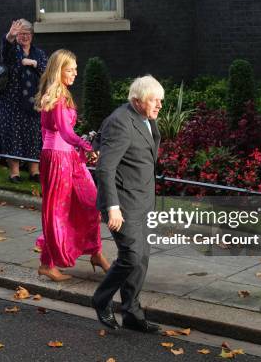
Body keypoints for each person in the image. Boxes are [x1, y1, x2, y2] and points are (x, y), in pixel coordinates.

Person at [92, 75, 163, 333]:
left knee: (141, 258)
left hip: (143, 200)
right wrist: (112, 207)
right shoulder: (120, 122)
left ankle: (132, 313)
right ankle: (101, 299)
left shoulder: (146, 119)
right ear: (136, 100)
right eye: (154, 100)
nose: (159, 105)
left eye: (161, 100)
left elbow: (141, 155)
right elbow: (105, 168)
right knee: (131, 256)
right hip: (123, 204)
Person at [33, 49, 109, 282]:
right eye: (71, 69)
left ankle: (95, 252)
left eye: (76, 69)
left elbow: (67, 133)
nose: (76, 73)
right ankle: (47, 263)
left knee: (91, 202)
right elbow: (65, 132)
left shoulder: (61, 93)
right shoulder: (55, 96)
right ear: (59, 70)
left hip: (69, 157)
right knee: (58, 211)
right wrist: (86, 146)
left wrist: (81, 149)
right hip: (57, 157)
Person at [0, 19, 46, 183]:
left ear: (32, 35)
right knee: (13, 135)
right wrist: (10, 36)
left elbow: (47, 71)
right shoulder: (12, 50)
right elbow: (5, 52)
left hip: (34, 103)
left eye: (27, 33)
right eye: (21, 33)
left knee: (33, 136)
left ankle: (34, 171)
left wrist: (33, 63)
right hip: (12, 103)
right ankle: (15, 172)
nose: (24, 36)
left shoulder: (38, 53)